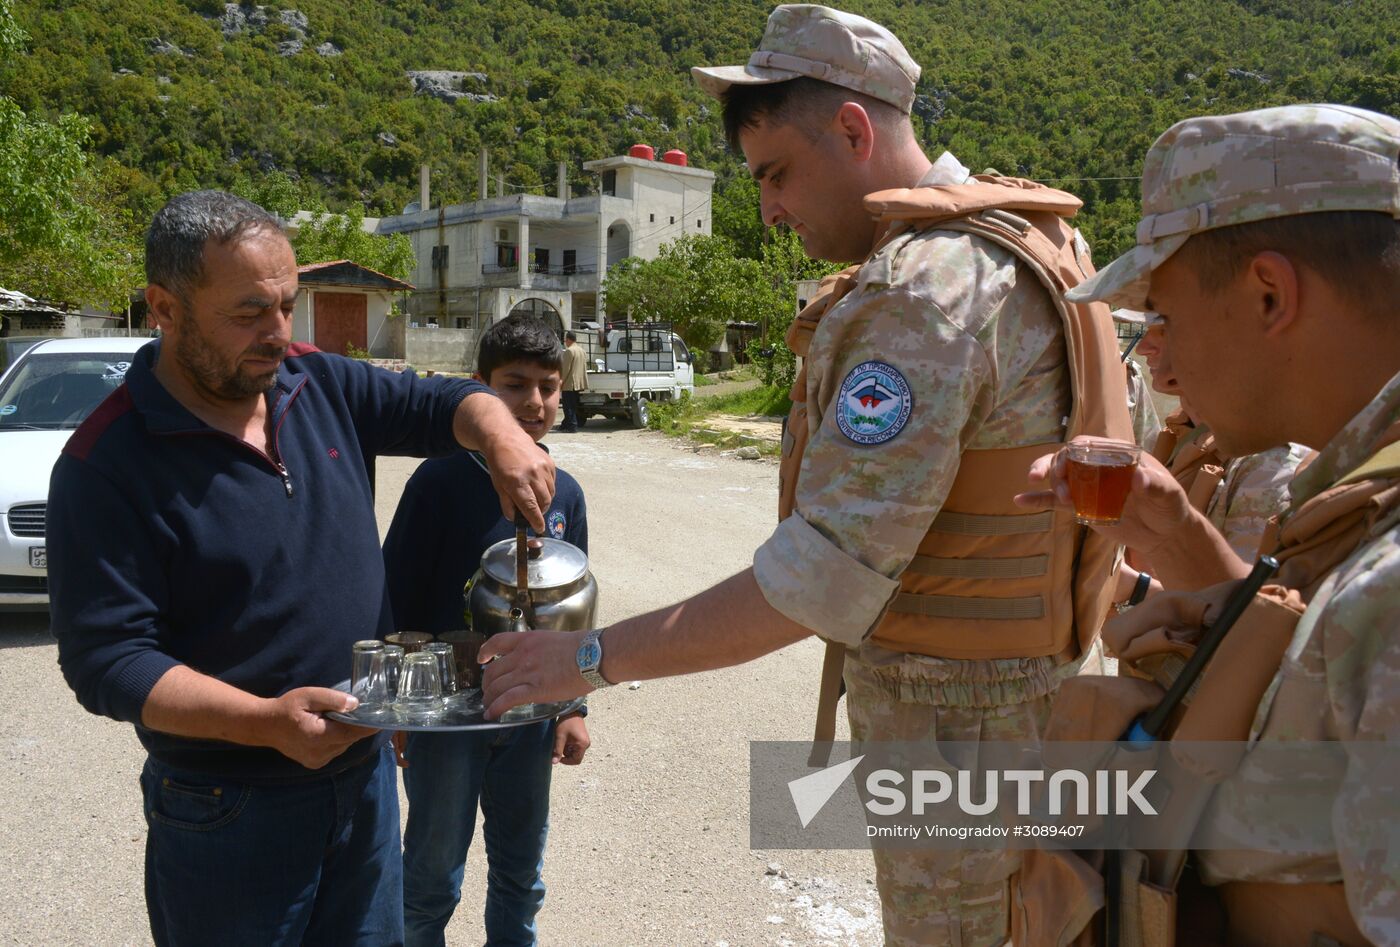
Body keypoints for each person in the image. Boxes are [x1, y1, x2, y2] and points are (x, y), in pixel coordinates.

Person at [476, 7, 1134, 944]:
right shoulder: (1037, 240)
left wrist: (584, 657)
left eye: (777, 174)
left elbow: (815, 579)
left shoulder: (921, 291)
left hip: (961, 738)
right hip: (1041, 704)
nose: (768, 210)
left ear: (856, 131)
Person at [46, 191, 555, 947]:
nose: (278, 332)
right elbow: (108, 661)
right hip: (228, 808)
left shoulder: (317, 382)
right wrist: (262, 721)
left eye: (287, 304)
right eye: (249, 312)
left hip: (364, 782)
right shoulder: (106, 462)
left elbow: (444, 402)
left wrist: (501, 436)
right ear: (165, 307)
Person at [1017, 104, 1400, 945]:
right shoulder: (1355, 507)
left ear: (1268, 294)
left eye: (1167, 312)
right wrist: (1210, 573)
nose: (1163, 351)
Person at [383, 314, 591, 947]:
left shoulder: (567, 495)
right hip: (447, 720)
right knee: (430, 882)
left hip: (528, 718)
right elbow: (393, 598)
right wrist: (398, 706)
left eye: (547, 387)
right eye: (514, 385)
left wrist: (571, 708)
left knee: (521, 879)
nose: (533, 402)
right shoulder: (439, 483)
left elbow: (574, 609)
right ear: (480, 390)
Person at [559, 329, 587, 432]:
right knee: (573, 405)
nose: (565, 342)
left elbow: (565, 369)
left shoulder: (569, 351)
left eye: (565, 340)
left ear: (568, 339)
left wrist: (561, 381)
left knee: (568, 406)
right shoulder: (582, 350)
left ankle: (572, 426)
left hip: (569, 383)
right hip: (578, 383)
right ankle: (566, 424)